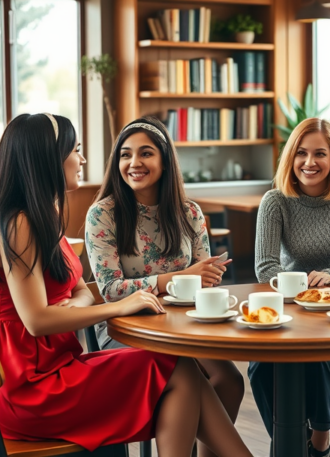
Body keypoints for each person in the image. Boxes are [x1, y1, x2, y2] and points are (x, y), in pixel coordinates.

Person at [0, 113, 252, 456]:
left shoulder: (41, 216)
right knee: (178, 368)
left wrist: (75, 304)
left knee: (186, 369)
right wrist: (118, 306)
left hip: (47, 367)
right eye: (75, 150)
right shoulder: (20, 224)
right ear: (47, 158)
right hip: (24, 385)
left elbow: (79, 289)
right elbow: (37, 320)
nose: (83, 159)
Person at [85, 116, 243, 457]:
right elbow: (110, 289)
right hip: (126, 329)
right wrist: (180, 278)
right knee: (189, 376)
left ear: (165, 160)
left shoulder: (190, 212)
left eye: (146, 153)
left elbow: (203, 279)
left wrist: (209, 277)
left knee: (230, 380)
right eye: (126, 155)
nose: (134, 163)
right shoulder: (103, 214)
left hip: (184, 326)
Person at [253, 117, 330, 457]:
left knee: (318, 358)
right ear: (291, 157)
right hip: (288, 310)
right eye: (301, 153)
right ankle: (290, 444)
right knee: (260, 367)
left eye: (320, 153)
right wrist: (300, 286)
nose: (310, 162)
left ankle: (321, 444)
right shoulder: (275, 201)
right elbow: (265, 268)